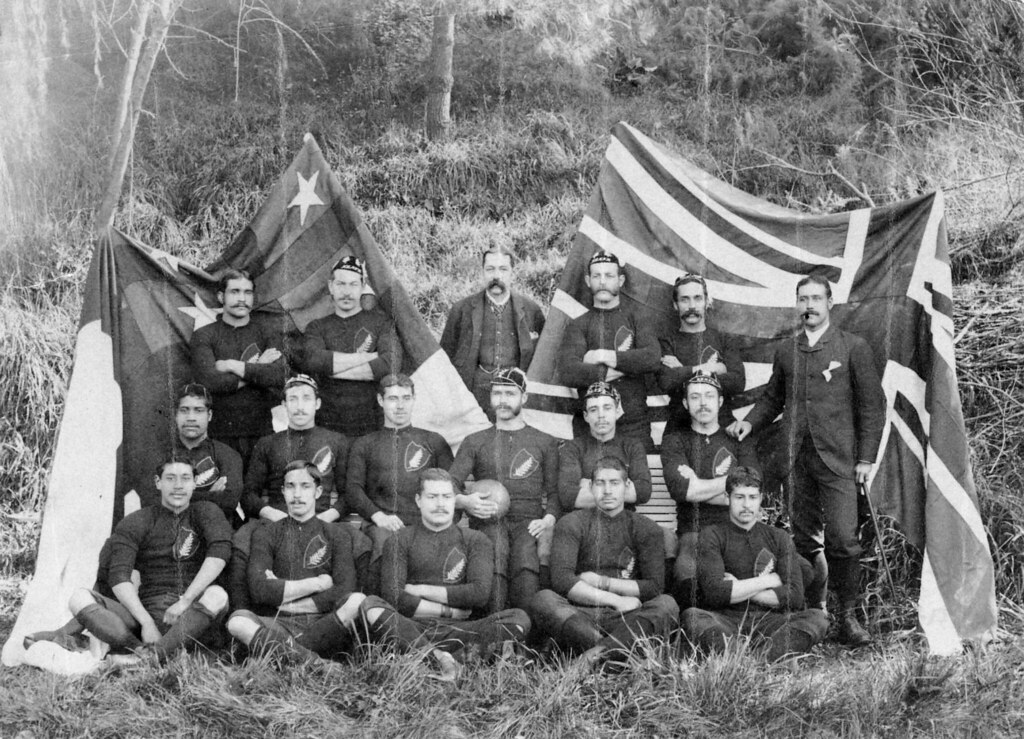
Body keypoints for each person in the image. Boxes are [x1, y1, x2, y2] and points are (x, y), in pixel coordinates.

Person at [730, 274, 884, 645]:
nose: (809, 306)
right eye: (803, 299)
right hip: (797, 460)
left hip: (840, 461)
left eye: (816, 298)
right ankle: (817, 611)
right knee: (803, 539)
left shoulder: (852, 347)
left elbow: (872, 408)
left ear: (830, 303)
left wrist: (865, 458)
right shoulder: (787, 351)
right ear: (796, 304)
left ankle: (848, 616)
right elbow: (772, 399)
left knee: (844, 540)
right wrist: (748, 424)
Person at [359, 469, 531, 679]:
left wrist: (420, 590)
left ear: (455, 500)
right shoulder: (400, 539)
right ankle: (442, 659)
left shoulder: (475, 540)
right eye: (432, 497)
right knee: (371, 605)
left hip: (462, 630)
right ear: (418, 500)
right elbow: (394, 596)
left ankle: (437, 659)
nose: (440, 504)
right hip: (411, 628)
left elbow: (479, 594)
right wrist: (449, 611)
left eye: (446, 497)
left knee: (518, 619)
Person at [60, 460, 231, 661]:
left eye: (185, 479)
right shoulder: (138, 520)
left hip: (197, 612)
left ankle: (151, 656)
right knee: (79, 598)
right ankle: (140, 650)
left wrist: (185, 600)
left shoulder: (206, 512)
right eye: (170, 478)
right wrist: (147, 622)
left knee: (217, 594)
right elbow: (119, 576)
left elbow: (219, 554)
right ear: (158, 482)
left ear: (194, 483)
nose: (178, 485)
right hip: (150, 611)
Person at [530, 457, 679, 668]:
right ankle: (618, 655)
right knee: (544, 600)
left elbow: (654, 586)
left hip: (629, 615)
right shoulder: (572, 523)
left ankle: (593, 655)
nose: (607, 490)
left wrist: (602, 582)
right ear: (591, 487)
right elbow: (563, 581)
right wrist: (615, 600)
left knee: (667, 605)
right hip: (582, 612)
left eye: (614, 483)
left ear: (627, 486)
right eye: (600, 483)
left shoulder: (647, 528)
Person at [680, 467, 829, 661]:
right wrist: (769, 580)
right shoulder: (711, 535)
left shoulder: (779, 537)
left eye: (752, 497)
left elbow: (794, 596)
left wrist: (737, 588)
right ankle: (754, 655)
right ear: (727, 498)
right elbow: (716, 593)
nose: (746, 505)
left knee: (818, 618)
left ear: (760, 499)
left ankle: (756, 658)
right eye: (739, 497)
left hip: (771, 620)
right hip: (727, 620)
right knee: (693, 616)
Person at [226, 461, 368, 662]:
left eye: (305, 486)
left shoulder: (336, 534)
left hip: (324, 625)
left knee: (356, 601)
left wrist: (286, 598)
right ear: (283, 492)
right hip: (279, 624)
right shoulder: (266, 534)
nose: (297, 494)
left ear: (318, 492)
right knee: (238, 622)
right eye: (291, 486)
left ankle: (283, 654)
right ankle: (313, 662)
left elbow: (344, 588)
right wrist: (318, 583)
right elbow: (259, 590)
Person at [449, 367, 560, 611]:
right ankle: (493, 634)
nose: (502, 400)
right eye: (497, 393)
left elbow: (554, 492)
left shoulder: (544, 441)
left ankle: (525, 637)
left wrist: (549, 518)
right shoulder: (475, 440)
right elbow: (451, 484)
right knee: (494, 555)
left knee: (525, 561)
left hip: (528, 521)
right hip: (488, 519)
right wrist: (466, 502)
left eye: (510, 393)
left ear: (524, 397)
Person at [346, 374, 454, 593]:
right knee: (384, 542)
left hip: (425, 524)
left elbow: (453, 487)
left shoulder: (434, 441)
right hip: (383, 524)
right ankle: (380, 612)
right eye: (393, 398)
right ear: (380, 400)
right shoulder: (365, 443)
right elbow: (353, 489)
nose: (400, 405)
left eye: (406, 398)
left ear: (414, 399)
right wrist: (378, 517)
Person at [661, 372, 759, 608]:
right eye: (695, 397)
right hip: (694, 531)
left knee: (797, 570)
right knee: (687, 579)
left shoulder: (738, 439)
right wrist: (733, 485)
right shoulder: (675, 441)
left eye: (709, 396)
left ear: (720, 401)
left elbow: (753, 486)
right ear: (685, 404)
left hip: (736, 529)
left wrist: (699, 485)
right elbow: (684, 492)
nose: (703, 403)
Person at [558, 251, 660, 450]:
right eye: (597, 276)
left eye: (609, 276)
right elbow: (569, 371)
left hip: (634, 425)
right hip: (590, 428)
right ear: (588, 280)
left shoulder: (637, 318)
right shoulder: (578, 324)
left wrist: (602, 356)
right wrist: (622, 368)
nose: (602, 282)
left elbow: (652, 358)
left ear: (621, 280)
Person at [189, 268, 288, 466]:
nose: (242, 298)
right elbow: (210, 382)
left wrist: (231, 365)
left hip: (262, 433)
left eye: (247, 292)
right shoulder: (205, 335)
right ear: (220, 297)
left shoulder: (268, 332)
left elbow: (278, 375)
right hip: (220, 434)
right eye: (235, 292)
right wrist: (258, 367)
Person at [298, 256, 402, 437]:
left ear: (363, 287)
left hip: (372, 425)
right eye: (340, 284)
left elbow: (389, 365)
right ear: (331, 286)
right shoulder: (317, 327)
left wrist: (330, 367)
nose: (346, 291)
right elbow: (313, 362)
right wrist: (369, 357)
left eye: (353, 284)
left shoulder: (381, 323)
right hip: (326, 425)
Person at [440, 243, 545, 418]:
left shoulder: (531, 309)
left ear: (513, 272)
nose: (496, 276)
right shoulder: (462, 309)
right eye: (490, 269)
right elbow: (445, 356)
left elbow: (544, 357)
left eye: (503, 269)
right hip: (474, 394)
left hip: (515, 395)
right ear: (482, 272)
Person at [242, 374, 349, 524]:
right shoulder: (267, 443)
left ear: (317, 403)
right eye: (293, 399)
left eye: (306, 398)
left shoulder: (337, 441)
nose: (300, 407)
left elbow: (348, 495)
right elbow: (248, 495)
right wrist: (275, 516)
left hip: (320, 523)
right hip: (277, 523)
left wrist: (323, 519)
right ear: (284, 404)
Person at [135, 383, 244, 522]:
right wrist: (211, 496)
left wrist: (172, 495)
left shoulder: (227, 454)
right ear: (175, 415)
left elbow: (228, 502)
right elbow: (150, 500)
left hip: (215, 531)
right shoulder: (157, 454)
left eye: (198, 410)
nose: (191, 417)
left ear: (209, 415)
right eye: (184, 410)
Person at [658, 274, 745, 435]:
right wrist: (710, 368)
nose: (692, 306)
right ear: (675, 305)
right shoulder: (667, 342)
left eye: (697, 298)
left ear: (706, 302)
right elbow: (667, 381)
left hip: (723, 425)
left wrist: (683, 371)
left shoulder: (724, 339)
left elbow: (737, 382)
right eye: (685, 299)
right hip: (680, 428)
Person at [557, 381, 651, 513]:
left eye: (607, 408)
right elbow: (568, 496)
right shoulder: (573, 448)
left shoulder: (632, 446)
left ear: (617, 411)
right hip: (584, 524)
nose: (601, 415)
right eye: (593, 410)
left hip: (624, 522)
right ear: (586, 416)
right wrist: (621, 486)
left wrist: (590, 487)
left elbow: (643, 492)